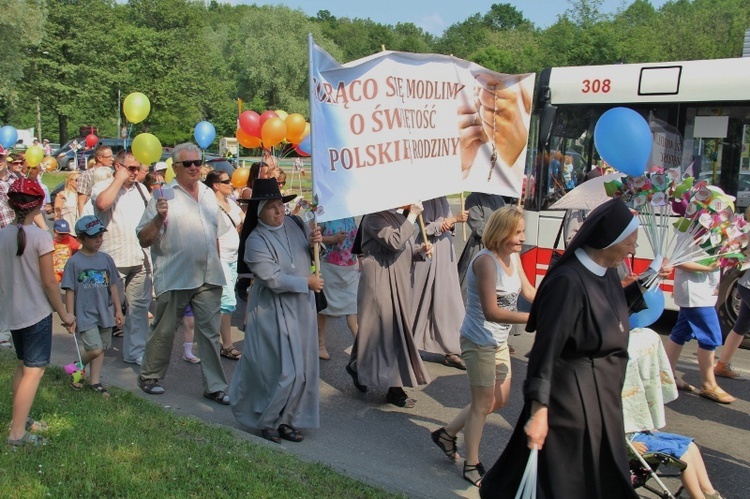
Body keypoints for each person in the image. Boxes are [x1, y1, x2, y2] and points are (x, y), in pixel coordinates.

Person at [480, 198, 643, 498]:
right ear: (610, 241)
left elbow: (605, 319)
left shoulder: (606, 272)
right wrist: (539, 411)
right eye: (630, 242)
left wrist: (644, 284)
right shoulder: (567, 281)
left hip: (601, 400)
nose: (634, 249)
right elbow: (546, 350)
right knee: (566, 482)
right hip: (569, 402)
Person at [431, 206, 536, 486]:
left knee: (499, 400)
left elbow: (528, 291)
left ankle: (446, 433)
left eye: (523, 231)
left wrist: (557, 300)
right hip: (478, 341)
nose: (522, 238)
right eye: (518, 232)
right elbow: (492, 312)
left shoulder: (514, 256)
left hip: (499, 341)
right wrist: (535, 318)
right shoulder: (485, 262)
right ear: (501, 233)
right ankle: (472, 464)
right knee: (482, 404)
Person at [229, 178, 323, 443]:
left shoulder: (295, 224)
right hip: (273, 309)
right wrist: (306, 282)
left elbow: (312, 253)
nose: (279, 211)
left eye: (280, 204)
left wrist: (318, 241)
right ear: (259, 211)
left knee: (303, 369)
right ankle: (267, 420)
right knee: (283, 371)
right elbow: (272, 278)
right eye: (271, 207)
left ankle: (289, 420)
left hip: (302, 307)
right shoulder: (255, 241)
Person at [136, 142, 231, 404]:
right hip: (176, 275)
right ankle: (150, 376)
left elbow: (215, 234)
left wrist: (219, 264)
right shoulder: (164, 195)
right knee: (165, 330)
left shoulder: (209, 195)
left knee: (210, 333)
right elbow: (144, 239)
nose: (193, 168)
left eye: (197, 162)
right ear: (175, 168)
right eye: (186, 164)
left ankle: (214, 386)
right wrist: (158, 217)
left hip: (209, 275)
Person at [0, 179, 76, 447]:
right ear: (39, 205)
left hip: (13, 312)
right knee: (34, 371)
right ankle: (17, 434)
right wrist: (65, 314)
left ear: (10, 204)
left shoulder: (2, 235)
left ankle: (19, 419)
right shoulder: (41, 237)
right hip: (36, 313)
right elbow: (49, 282)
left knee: (23, 366)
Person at [347, 204, 432, 408]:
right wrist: (412, 216)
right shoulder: (373, 217)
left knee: (375, 330)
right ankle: (395, 389)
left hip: (399, 281)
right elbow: (394, 242)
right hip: (379, 281)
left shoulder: (397, 217)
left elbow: (405, 249)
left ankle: (358, 366)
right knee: (388, 331)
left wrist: (420, 251)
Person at [92, 150, 153, 366]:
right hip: (112, 260)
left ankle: (135, 352)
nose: (136, 173)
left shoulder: (141, 189)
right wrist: (119, 179)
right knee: (105, 308)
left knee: (138, 309)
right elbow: (102, 204)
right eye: (132, 168)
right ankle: (96, 350)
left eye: (138, 168)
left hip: (140, 258)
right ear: (118, 167)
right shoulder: (103, 186)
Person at [61, 215, 123, 397]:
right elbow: (70, 290)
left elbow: (113, 285)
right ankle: (77, 366)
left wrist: (118, 310)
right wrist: (69, 316)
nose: (98, 240)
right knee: (94, 348)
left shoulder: (106, 259)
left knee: (101, 348)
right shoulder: (74, 262)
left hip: (105, 312)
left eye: (101, 236)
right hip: (84, 313)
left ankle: (94, 381)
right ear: (80, 238)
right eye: (93, 237)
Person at [663, 258, 735, 403]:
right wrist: (708, 269)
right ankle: (708, 384)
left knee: (681, 331)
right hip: (694, 293)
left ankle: (666, 376)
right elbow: (679, 261)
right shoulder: (692, 235)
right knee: (711, 336)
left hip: (703, 291)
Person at [411, 196, 468, 369]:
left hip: (445, 248)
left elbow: (447, 225)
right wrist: (453, 219)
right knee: (421, 297)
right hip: (429, 250)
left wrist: (454, 221)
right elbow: (425, 228)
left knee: (448, 299)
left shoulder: (441, 196)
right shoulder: (425, 197)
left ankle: (451, 346)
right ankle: (409, 341)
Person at [204, 170, 244, 360]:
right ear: (216, 185)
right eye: (227, 181)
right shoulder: (209, 204)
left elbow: (242, 222)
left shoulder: (232, 204)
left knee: (223, 300)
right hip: (218, 258)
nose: (231, 184)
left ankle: (213, 338)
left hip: (233, 258)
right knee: (227, 301)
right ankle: (227, 345)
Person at [713, 206, 750, 380]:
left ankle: (722, 365)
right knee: (741, 326)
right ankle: (722, 365)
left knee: (741, 326)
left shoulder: (746, 229)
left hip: (745, 285)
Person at [317, 217, 359, 360]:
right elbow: (314, 238)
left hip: (350, 266)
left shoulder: (350, 212)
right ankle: (320, 344)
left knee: (353, 305)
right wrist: (333, 238)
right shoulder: (324, 213)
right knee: (324, 306)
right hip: (329, 267)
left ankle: (360, 344)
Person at [456, 192, 506, 298]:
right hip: (480, 246)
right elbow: (477, 226)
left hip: (499, 247)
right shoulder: (473, 199)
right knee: (471, 288)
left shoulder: (499, 198)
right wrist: (499, 235)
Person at [77, 145, 114, 215]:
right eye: (109, 157)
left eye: (112, 156)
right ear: (99, 158)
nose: (112, 159)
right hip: (92, 213)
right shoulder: (86, 175)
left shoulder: (113, 173)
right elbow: (81, 201)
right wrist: (84, 220)